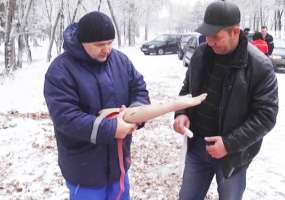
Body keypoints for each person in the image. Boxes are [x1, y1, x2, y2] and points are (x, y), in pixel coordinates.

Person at [173, 1, 278, 200]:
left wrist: (228, 144)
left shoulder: (260, 66)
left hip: (233, 157)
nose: (210, 42)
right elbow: (187, 90)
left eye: (216, 36)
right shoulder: (201, 54)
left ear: (235, 32)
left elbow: (266, 116)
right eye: (207, 35)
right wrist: (181, 113)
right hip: (197, 148)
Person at [43, 11, 150, 200]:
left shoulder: (121, 61)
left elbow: (139, 88)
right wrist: (112, 129)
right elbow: (67, 118)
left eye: (110, 43)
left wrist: (135, 113)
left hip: (118, 166)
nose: (107, 49)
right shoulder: (60, 71)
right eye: (100, 45)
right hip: (84, 171)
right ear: (83, 42)